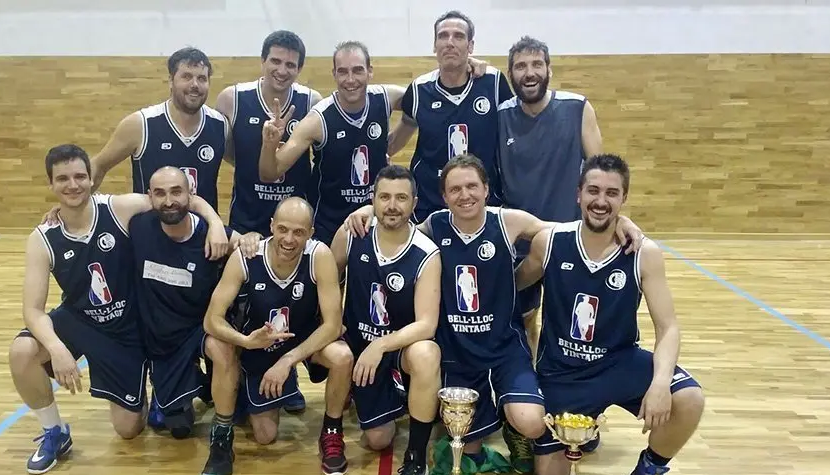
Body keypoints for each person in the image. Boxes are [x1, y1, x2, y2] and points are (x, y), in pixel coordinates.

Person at [344, 154, 643, 475]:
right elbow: (396, 224)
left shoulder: (509, 221)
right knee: (463, 441)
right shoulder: (434, 225)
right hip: (456, 352)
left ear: (487, 189)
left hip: (503, 348)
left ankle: (514, 424)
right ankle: (485, 417)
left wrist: (620, 221)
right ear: (444, 196)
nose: (465, 195)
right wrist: (365, 210)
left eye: (472, 186)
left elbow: (569, 233)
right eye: (455, 189)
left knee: (530, 422)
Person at [8, 144, 223, 475]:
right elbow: (32, 310)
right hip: (81, 319)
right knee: (22, 351)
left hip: (129, 327)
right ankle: (54, 432)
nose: (73, 185)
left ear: (91, 178)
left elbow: (178, 198)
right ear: (51, 185)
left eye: (80, 176)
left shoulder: (119, 208)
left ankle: (152, 388)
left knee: (128, 429)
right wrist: (57, 349)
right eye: (62, 179)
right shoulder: (43, 238)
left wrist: (215, 222)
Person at [516, 154, 705, 475]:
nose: (601, 201)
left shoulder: (643, 253)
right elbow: (515, 284)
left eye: (611, 193)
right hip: (562, 372)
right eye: (593, 191)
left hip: (618, 361)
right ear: (578, 194)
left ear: (623, 199)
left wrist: (661, 384)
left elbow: (669, 328)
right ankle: (583, 426)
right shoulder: (550, 242)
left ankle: (648, 473)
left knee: (689, 399)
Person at [202, 197, 353, 475]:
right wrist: (245, 341)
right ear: (271, 226)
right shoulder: (246, 258)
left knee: (342, 356)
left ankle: (332, 430)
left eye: (298, 232)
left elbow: (333, 325)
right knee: (265, 436)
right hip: (257, 343)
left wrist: (288, 360)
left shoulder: (319, 256)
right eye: (282, 229)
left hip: (301, 339)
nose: (289, 239)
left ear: (310, 233)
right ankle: (222, 433)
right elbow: (211, 320)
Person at [328, 165, 442, 475]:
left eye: (401, 198)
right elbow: (326, 278)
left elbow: (426, 324)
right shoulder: (352, 234)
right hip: (360, 350)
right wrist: (333, 323)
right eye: (385, 197)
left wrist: (382, 344)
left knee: (427, 353)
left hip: (398, 347)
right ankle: (389, 399)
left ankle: (416, 458)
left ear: (415, 203)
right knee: (378, 439)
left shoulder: (426, 253)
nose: (392, 205)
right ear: (373, 200)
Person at [128, 166, 253, 439]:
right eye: (159, 193)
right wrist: (59, 215)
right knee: (179, 429)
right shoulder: (137, 227)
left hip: (202, 327)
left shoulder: (213, 235)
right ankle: (196, 384)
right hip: (163, 338)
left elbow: (250, 247)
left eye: (176, 192)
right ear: (149, 197)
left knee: (222, 348)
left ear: (191, 194)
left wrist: (247, 237)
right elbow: (92, 212)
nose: (169, 200)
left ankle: (222, 427)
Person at [496, 36, 603, 352]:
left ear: (548, 70)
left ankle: (560, 389)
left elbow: (600, 175)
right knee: (525, 318)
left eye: (536, 64)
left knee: (566, 323)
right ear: (511, 74)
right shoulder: (499, 116)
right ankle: (529, 389)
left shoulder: (577, 108)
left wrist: (614, 223)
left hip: (567, 239)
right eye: (520, 66)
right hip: (519, 243)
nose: (529, 73)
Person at [258, 41, 405, 247]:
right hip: (329, 224)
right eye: (343, 72)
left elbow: (425, 97)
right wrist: (269, 145)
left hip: (375, 217)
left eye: (358, 71)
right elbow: (270, 173)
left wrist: (396, 139)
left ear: (370, 72)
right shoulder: (318, 119)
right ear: (334, 74)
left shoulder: (385, 98)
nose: (350, 79)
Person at [89, 46, 231, 257]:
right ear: (171, 81)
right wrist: (73, 208)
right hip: (149, 241)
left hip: (200, 243)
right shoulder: (141, 124)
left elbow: (245, 168)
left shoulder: (220, 125)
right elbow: (98, 165)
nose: (195, 85)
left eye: (202, 78)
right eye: (186, 76)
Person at [387, 10, 514, 222]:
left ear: (471, 46)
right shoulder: (419, 90)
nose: (450, 42)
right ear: (434, 45)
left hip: (482, 203)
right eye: (443, 36)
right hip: (430, 204)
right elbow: (398, 137)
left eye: (458, 36)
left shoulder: (493, 83)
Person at [215, 30, 323, 237]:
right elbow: (228, 151)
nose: (282, 70)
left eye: (290, 65)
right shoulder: (232, 99)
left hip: (295, 221)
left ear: (299, 69)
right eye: (275, 61)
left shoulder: (311, 102)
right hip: (246, 218)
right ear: (262, 61)